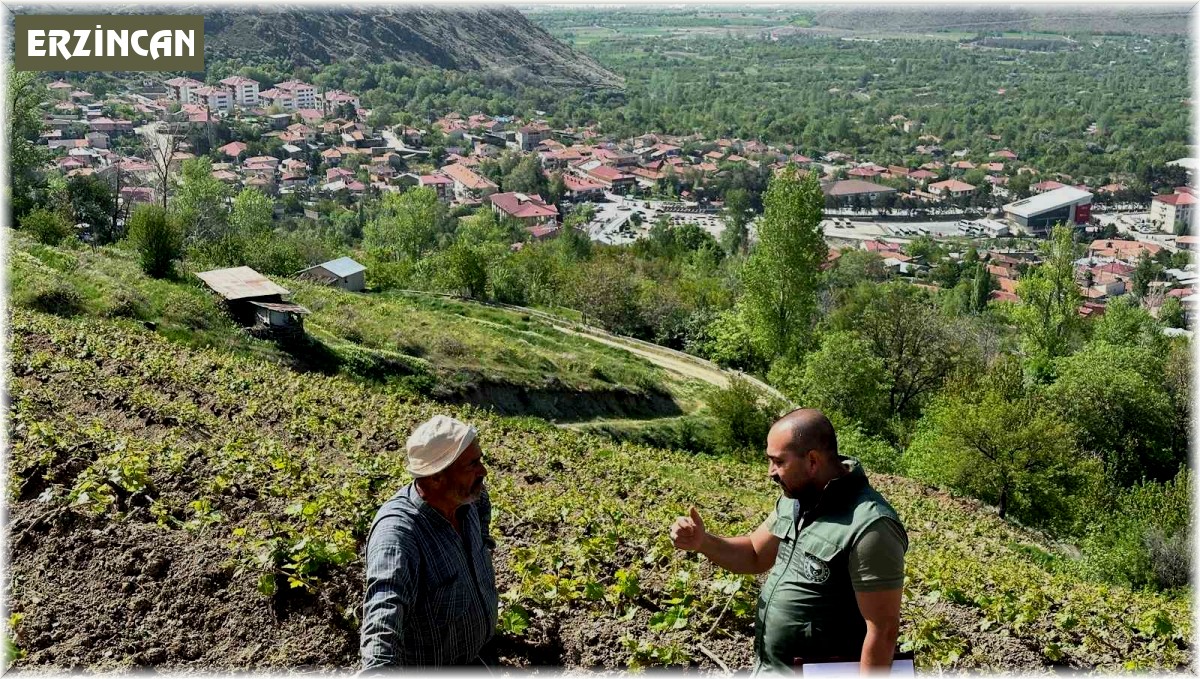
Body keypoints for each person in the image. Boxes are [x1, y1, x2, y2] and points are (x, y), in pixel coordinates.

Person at [670, 408, 907, 675]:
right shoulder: (796, 498)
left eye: (779, 462)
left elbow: (883, 632)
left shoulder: (870, 526)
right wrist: (702, 541)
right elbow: (754, 554)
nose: (770, 472)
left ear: (812, 461)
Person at [360, 415, 498, 669]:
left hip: (482, 659)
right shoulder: (398, 535)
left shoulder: (471, 499)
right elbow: (384, 613)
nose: (483, 471)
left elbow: (483, 530)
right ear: (435, 477)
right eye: (472, 464)